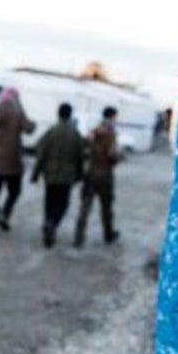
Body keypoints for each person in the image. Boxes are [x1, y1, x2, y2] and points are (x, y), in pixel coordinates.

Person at [31, 103, 84, 248]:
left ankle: (48, 222)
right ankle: (53, 223)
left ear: (58, 114)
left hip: (50, 174)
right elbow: (81, 156)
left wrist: (36, 173)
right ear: (70, 114)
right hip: (67, 176)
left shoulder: (51, 131)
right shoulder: (76, 134)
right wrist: (80, 175)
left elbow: (41, 153)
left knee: (49, 201)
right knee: (63, 203)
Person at [0, 87, 33, 233]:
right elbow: (29, 129)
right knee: (15, 191)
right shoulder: (18, 112)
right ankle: (4, 214)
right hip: (12, 161)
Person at [76, 105, 123, 247]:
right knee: (106, 207)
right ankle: (108, 234)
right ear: (112, 116)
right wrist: (119, 157)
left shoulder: (94, 130)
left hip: (91, 173)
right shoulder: (110, 132)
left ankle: (78, 237)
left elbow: (85, 148)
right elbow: (112, 155)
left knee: (85, 207)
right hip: (105, 175)